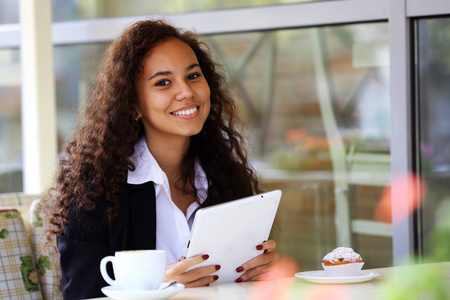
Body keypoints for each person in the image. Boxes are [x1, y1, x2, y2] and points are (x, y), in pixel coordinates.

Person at [41, 19, 279, 300]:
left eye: (193, 76)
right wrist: (156, 289)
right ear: (132, 103)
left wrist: (263, 272)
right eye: (163, 82)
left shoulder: (226, 176)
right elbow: (82, 295)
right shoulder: (93, 192)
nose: (186, 92)